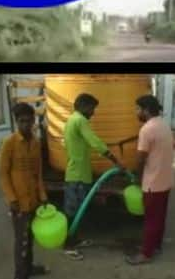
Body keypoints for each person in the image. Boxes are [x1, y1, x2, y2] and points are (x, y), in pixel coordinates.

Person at [63, 93, 124, 261]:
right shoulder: (80, 120)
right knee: (73, 212)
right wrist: (115, 160)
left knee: (77, 211)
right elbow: (95, 142)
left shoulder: (71, 120)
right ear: (83, 106)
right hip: (77, 175)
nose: (93, 113)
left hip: (77, 172)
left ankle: (74, 239)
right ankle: (68, 245)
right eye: (92, 108)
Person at [0, 103, 50, 278]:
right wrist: (12, 199)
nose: (25, 125)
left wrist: (43, 195)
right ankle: (20, 274)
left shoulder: (36, 143)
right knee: (21, 241)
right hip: (18, 204)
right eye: (21, 121)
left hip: (34, 201)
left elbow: (39, 173)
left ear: (34, 120)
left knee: (30, 239)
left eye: (29, 121)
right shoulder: (9, 143)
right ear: (16, 122)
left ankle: (29, 267)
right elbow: (4, 174)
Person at [125, 95, 175, 265]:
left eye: (137, 108)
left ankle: (146, 253)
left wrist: (136, 179)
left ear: (146, 110)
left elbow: (140, 158)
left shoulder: (147, 129)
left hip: (153, 182)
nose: (136, 112)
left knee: (151, 219)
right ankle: (156, 245)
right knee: (159, 217)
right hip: (166, 180)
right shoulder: (164, 125)